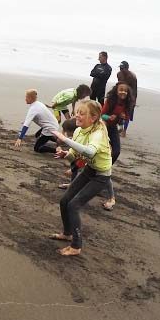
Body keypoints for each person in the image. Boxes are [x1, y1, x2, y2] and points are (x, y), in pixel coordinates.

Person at [50, 99, 112, 256]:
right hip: (89, 170)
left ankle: (76, 246)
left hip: (101, 176)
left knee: (74, 205)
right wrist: (66, 154)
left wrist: (64, 140)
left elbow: (90, 152)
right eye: (77, 112)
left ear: (93, 118)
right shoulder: (78, 131)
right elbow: (75, 157)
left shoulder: (98, 133)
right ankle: (67, 233)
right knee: (65, 201)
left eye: (82, 113)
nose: (77, 115)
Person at [100, 83, 135, 210]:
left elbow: (124, 119)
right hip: (103, 126)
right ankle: (100, 172)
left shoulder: (127, 103)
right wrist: (109, 117)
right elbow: (101, 115)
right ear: (116, 91)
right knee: (101, 150)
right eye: (121, 90)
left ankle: (104, 170)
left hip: (113, 128)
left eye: (125, 91)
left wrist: (123, 118)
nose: (123, 93)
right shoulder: (110, 100)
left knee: (116, 152)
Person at [56, 117, 81, 189]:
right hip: (80, 159)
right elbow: (60, 140)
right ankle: (72, 184)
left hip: (90, 162)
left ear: (72, 131)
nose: (65, 133)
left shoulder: (80, 140)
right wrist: (59, 146)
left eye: (66, 131)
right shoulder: (74, 137)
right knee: (73, 162)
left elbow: (84, 159)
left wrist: (72, 170)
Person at [115, 61, 138, 135]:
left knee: (127, 114)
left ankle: (124, 131)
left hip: (129, 95)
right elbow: (118, 85)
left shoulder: (132, 77)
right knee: (118, 112)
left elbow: (134, 89)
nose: (121, 70)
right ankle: (119, 128)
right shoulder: (119, 74)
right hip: (120, 95)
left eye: (123, 68)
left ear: (127, 68)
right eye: (120, 68)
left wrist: (133, 100)